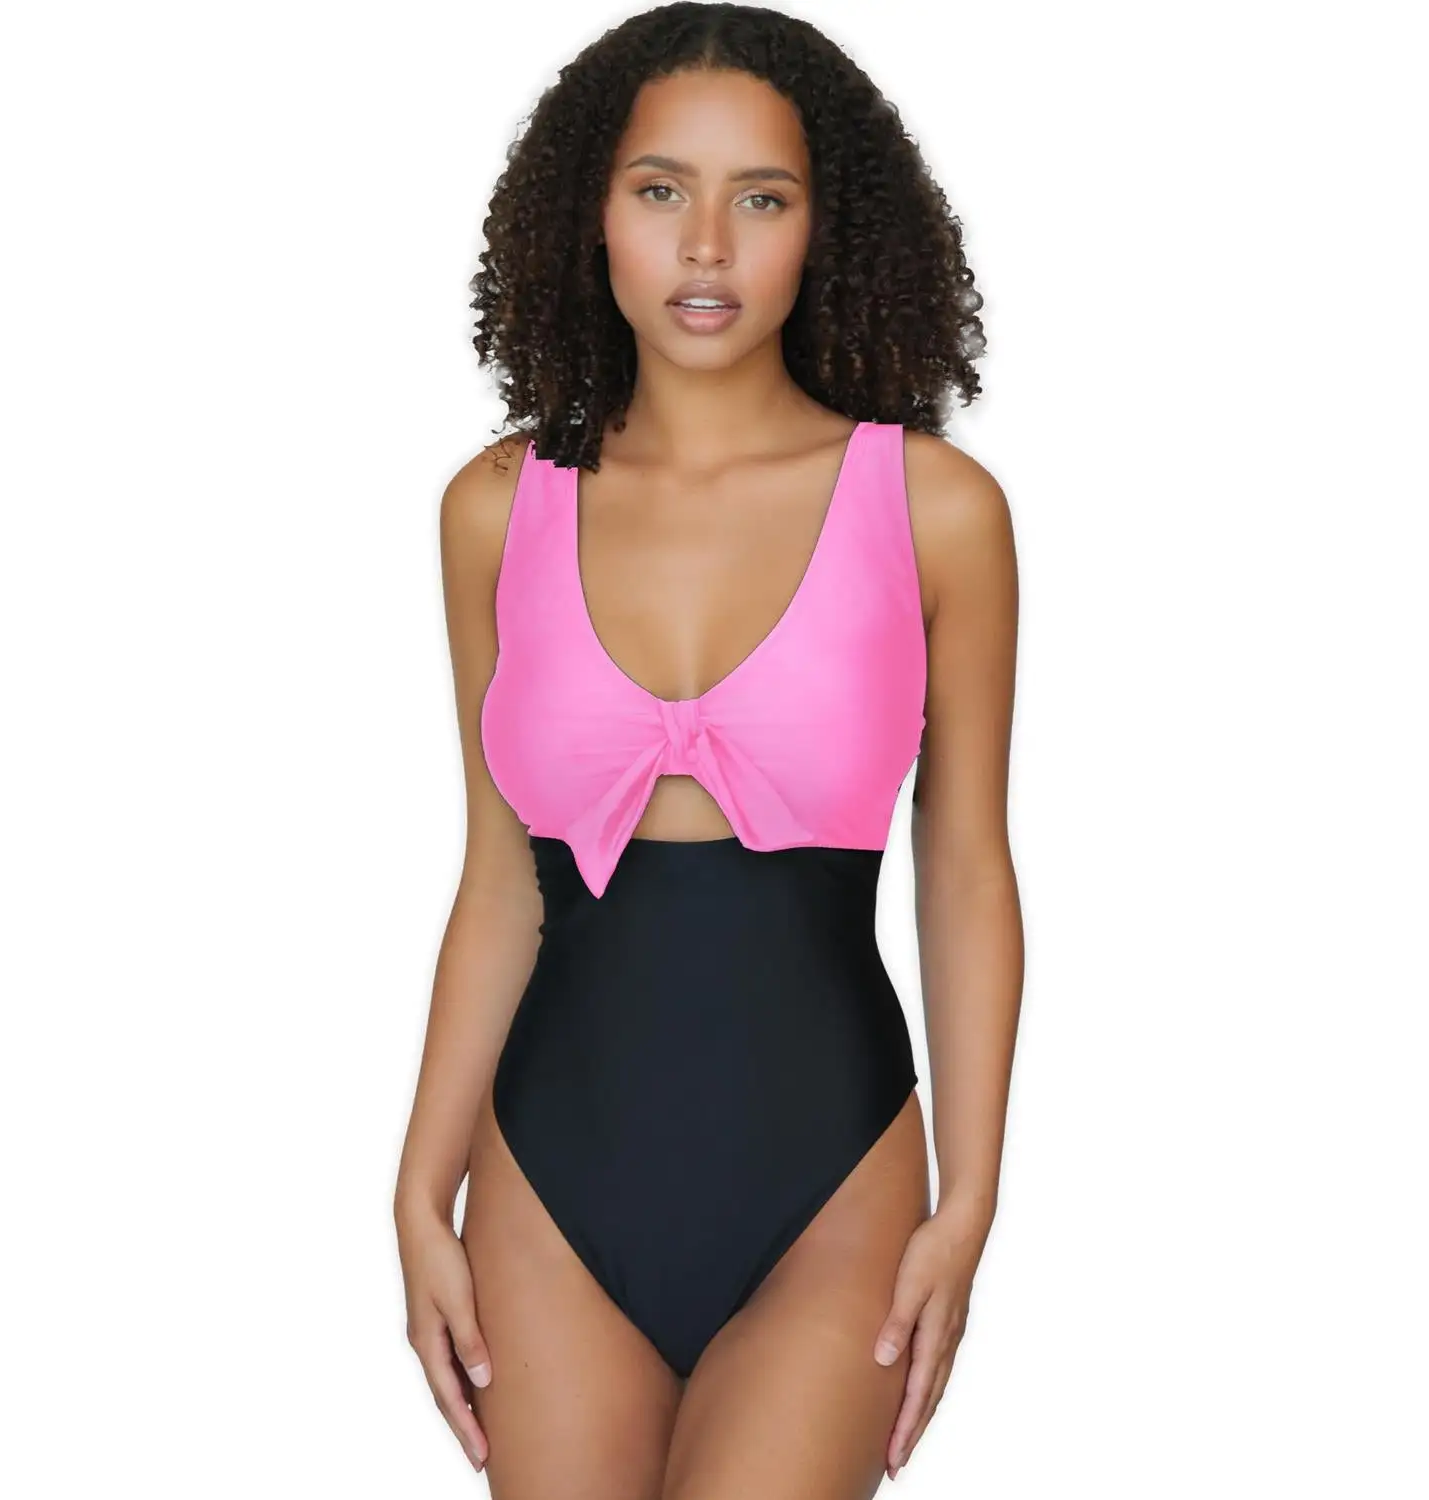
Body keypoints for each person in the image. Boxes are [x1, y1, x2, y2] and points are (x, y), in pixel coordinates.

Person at [394, 5, 1023, 1495]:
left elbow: (966, 869)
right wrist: (420, 1188)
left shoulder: (937, 509)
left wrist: (973, 1200)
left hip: (831, 1180)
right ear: (589, 211)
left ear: (826, 228)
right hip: (549, 1177)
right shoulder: (494, 509)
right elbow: (498, 878)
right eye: (661, 189)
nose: (706, 246)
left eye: (763, 198)